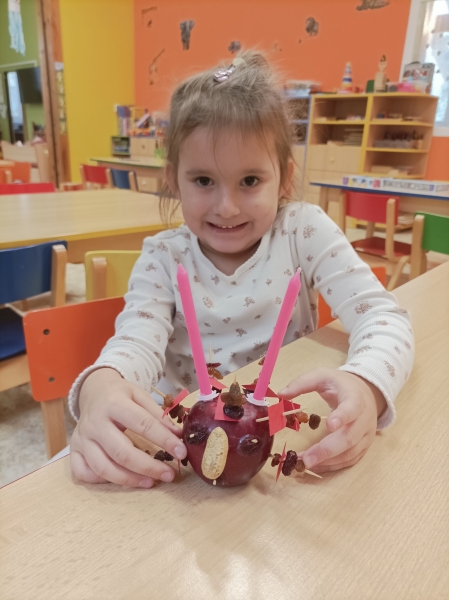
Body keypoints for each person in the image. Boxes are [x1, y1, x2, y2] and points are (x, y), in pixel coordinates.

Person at [68, 50, 414, 487]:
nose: (227, 207)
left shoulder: (302, 231)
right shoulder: (163, 257)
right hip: (183, 462)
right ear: (173, 179)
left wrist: (367, 385)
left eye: (250, 181)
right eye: (203, 181)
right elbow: (135, 343)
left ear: (284, 177)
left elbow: (384, 318)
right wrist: (100, 385)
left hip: (283, 454)